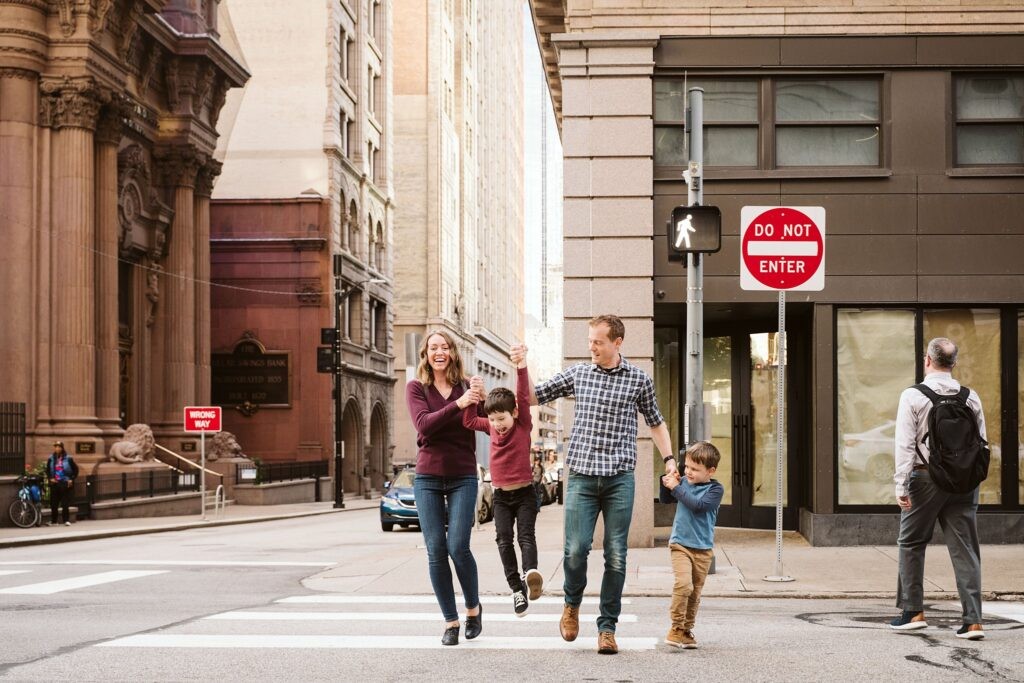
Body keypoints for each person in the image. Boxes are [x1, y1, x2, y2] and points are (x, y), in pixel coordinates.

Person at [522, 314, 677, 655]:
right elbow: (534, 396)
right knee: (576, 550)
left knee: (616, 555)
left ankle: (607, 627)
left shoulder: (639, 380)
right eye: (590, 340)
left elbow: (656, 423)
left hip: (619, 477)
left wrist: (669, 461)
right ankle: (572, 605)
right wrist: (522, 365)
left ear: (617, 342)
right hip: (580, 475)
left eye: (598, 341)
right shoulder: (579, 374)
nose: (591, 346)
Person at [890, 337, 986, 640]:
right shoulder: (971, 397)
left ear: (927, 361)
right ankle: (973, 621)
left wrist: (901, 484)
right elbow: (981, 444)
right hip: (963, 482)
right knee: (966, 549)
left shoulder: (913, 396)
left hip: (925, 478)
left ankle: (913, 611)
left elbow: (905, 444)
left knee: (911, 542)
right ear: (954, 363)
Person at [405, 330, 484, 646]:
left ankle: (474, 609)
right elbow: (423, 425)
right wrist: (459, 404)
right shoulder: (416, 388)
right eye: (433, 347)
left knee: (458, 547)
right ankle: (451, 622)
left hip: (463, 474)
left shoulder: (467, 386)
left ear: (453, 352)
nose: (439, 352)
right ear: (425, 353)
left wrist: (481, 398)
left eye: (445, 347)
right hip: (427, 478)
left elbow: (480, 423)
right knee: (436, 549)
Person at [462, 349, 544, 617]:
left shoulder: (523, 425)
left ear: (515, 413)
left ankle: (531, 573)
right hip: (501, 497)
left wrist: (521, 366)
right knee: (503, 540)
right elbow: (471, 420)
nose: (497, 425)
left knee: (525, 536)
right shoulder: (489, 426)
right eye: (494, 420)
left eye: (502, 419)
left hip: (525, 494)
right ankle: (517, 590)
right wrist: (473, 394)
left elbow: (522, 394)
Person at [660, 441, 724, 649]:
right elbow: (666, 499)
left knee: (695, 592)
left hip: (703, 550)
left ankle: (686, 630)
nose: (688, 472)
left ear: (710, 471)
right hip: (681, 545)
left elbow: (698, 506)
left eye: (695, 469)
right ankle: (675, 627)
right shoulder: (684, 483)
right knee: (683, 585)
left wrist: (677, 488)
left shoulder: (715, 489)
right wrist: (667, 481)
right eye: (687, 467)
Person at [45, 441, 78, 526]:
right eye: (56, 447)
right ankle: (54, 521)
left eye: (59, 447)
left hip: (64, 482)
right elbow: (48, 470)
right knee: (54, 503)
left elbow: (75, 470)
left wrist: (71, 479)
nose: (57, 448)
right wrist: (50, 478)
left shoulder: (68, 458)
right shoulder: (51, 458)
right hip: (55, 483)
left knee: (65, 503)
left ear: (62, 448)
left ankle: (66, 520)